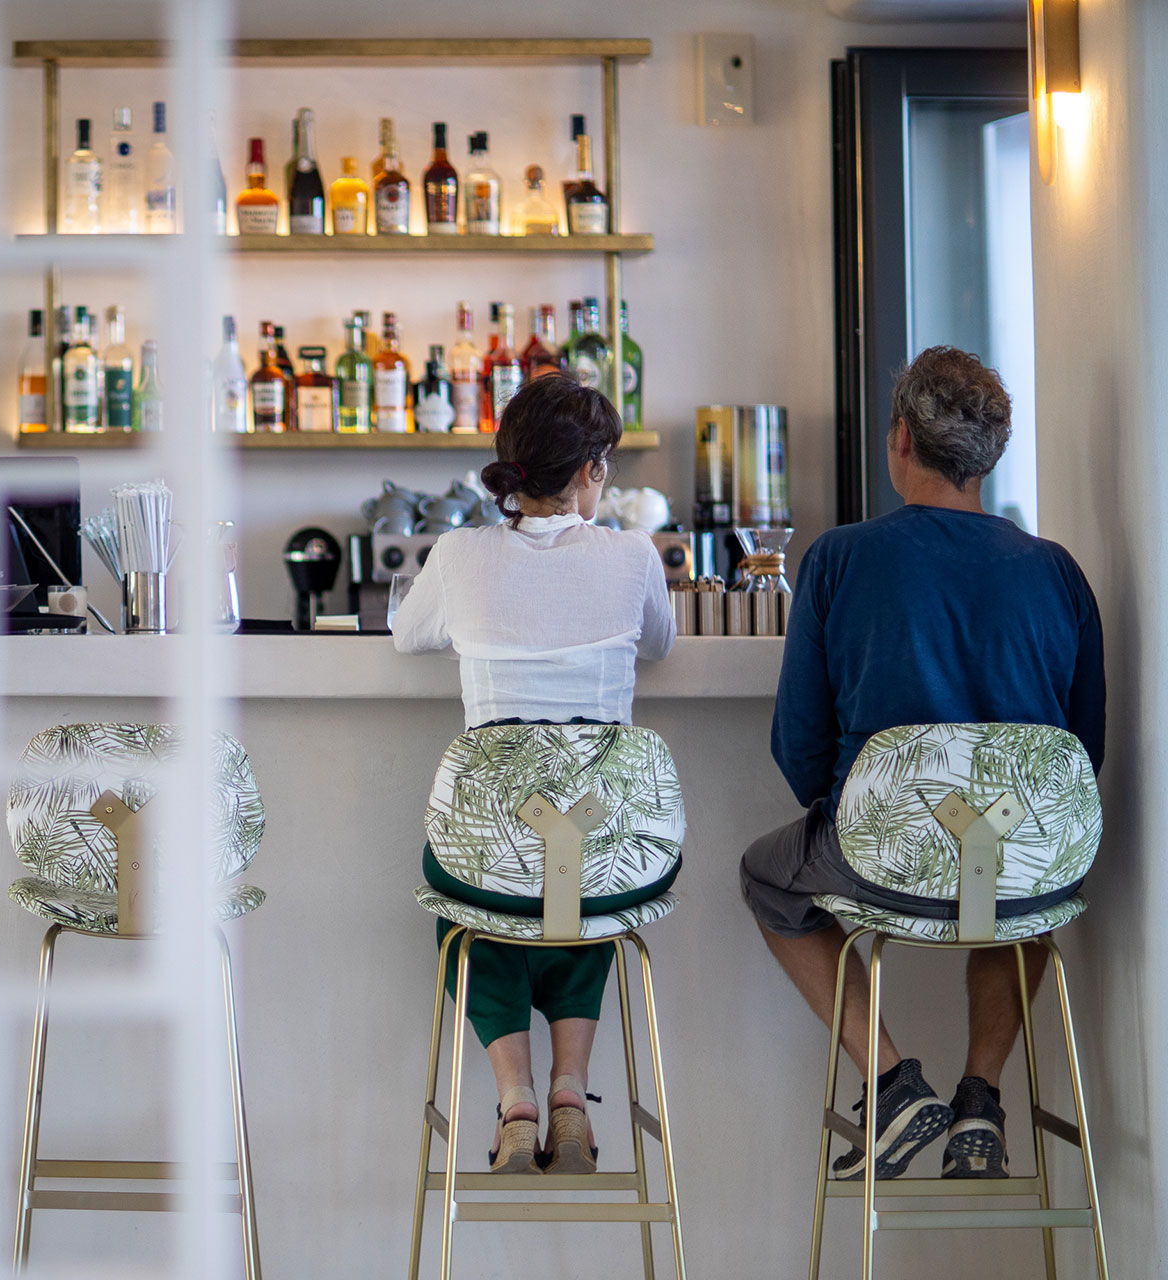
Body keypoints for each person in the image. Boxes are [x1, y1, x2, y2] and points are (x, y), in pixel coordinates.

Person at [741, 346, 1105, 1181]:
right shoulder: (1058, 573)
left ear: (899, 437)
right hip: (1026, 861)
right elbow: (1080, 759)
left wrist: (854, 812)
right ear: (991, 454)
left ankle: (895, 1083)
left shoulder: (839, 559)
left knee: (768, 877)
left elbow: (797, 745)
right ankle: (982, 1102)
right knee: (1027, 897)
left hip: (883, 863)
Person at [394, 375, 676, 1173]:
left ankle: (515, 1099)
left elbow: (407, 637)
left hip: (492, 846)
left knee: (469, 893)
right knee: (586, 883)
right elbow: (661, 644)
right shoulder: (632, 556)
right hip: (605, 848)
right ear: (590, 469)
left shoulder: (458, 553)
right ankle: (570, 1091)